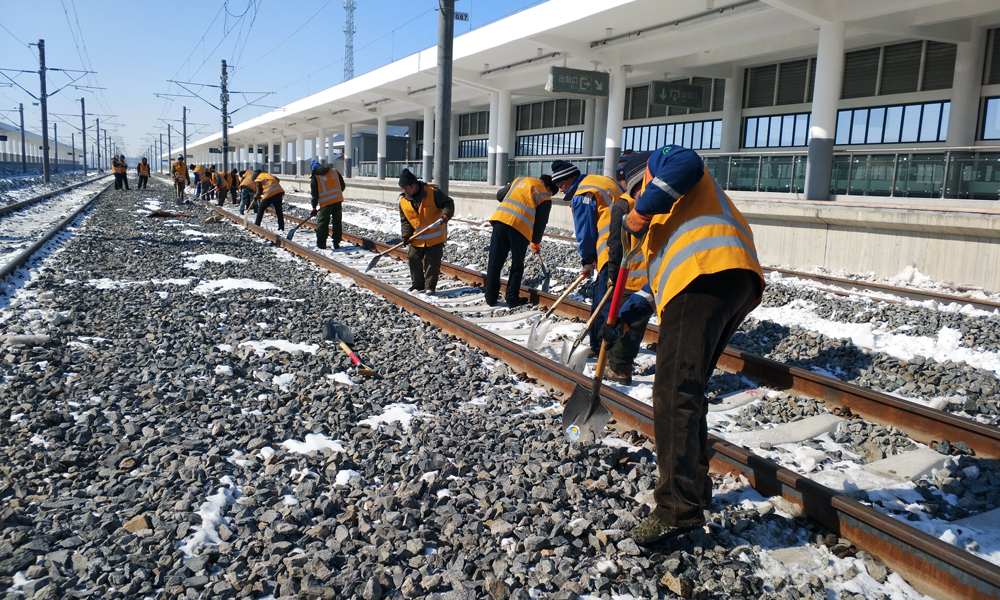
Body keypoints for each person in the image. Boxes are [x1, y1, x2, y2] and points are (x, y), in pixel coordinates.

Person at [603, 146, 765, 546]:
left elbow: (688, 161)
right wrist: (623, 317)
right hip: (731, 278)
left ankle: (675, 509)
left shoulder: (662, 167)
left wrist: (642, 208)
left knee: (672, 392)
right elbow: (654, 285)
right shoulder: (669, 221)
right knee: (686, 389)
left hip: (707, 276)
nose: (635, 200)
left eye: (635, 191)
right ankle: (695, 490)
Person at [550, 159, 624, 358]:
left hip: (610, 250)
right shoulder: (603, 181)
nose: (561, 190)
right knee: (619, 298)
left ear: (572, 178)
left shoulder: (583, 194)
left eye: (562, 185)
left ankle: (601, 349)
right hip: (630, 246)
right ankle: (609, 346)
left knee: (602, 300)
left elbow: (586, 232)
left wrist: (587, 259)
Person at [483, 175, 556, 307]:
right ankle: (512, 297)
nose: (550, 195)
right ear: (549, 188)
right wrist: (536, 243)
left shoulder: (519, 180)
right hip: (520, 228)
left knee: (495, 261)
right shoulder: (545, 196)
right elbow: (541, 223)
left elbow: (500, 195)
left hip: (500, 221)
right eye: (551, 193)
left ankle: (490, 297)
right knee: (517, 264)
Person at [397, 168, 454, 295]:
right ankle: (417, 285)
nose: (404, 191)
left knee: (432, 261)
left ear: (414, 184)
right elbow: (405, 221)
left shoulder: (433, 193)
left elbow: (448, 203)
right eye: (402, 188)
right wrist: (406, 235)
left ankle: (430, 287)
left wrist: (445, 215)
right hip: (416, 238)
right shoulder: (403, 201)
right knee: (413, 257)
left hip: (434, 237)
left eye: (406, 188)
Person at [309, 159, 346, 249]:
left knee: (323, 222)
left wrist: (314, 208)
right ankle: (336, 242)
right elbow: (342, 185)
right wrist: (335, 195)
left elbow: (314, 194)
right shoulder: (334, 171)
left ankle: (321, 244)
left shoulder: (315, 176)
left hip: (326, 203)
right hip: (338, 200)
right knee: (337, 222)